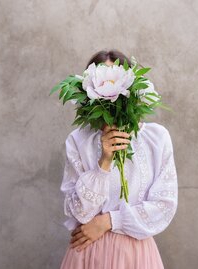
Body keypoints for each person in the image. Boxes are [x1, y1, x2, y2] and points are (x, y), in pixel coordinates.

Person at [59, 50, 178, 269]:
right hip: (89, 252)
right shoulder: (78, 140)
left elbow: (164, 206)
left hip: (136, 254)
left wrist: (109, 221)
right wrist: (104, 162)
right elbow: (79, 212)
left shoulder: (156, 138)